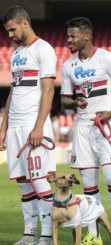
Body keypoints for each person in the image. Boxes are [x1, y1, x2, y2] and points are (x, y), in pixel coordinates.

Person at [60, 17, 111, 245]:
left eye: (72, 36)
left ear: (87, 36)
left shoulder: (106, 58)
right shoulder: (68, 65)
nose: (68, 39)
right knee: (89, 183)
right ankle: (94, 233)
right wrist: (75, 102)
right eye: (68, 35)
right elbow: (64, 101)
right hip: (82, 128)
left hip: (106, 125)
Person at [0, 5, 57, 245]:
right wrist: (3, 128)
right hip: (15, 126)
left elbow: (48, 90)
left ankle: (45, 237)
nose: (10, 35)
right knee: (24, 184)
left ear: (24, 23)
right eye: (7, 31)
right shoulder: (16, 55)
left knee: (40, 181)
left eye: (12, 29)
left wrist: (39, 126)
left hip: (33, 125)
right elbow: (13, 92)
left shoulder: (44, 49)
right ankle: (29, 235)